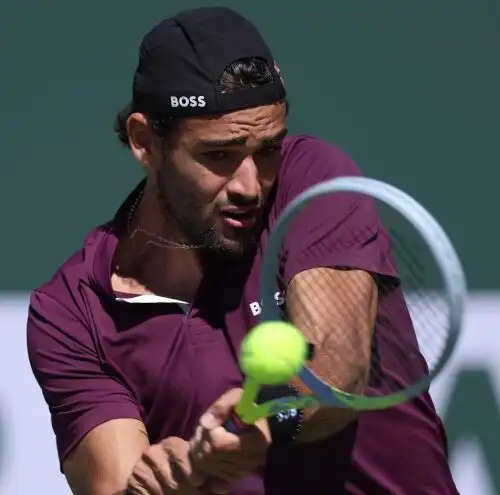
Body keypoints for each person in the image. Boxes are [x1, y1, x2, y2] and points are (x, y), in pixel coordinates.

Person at [26, 6, 459, 495]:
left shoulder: (312, 183)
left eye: (267, 150)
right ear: (145, 141)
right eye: (218, 155)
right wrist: (162, 483)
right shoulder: (71, 312)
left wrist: (272, 421)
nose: (250, 185)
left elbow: (338, 367)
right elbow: (114, 481)